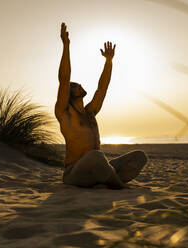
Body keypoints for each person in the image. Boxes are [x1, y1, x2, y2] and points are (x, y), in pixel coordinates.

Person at [55, 23, 147, 189]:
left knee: (139, 156)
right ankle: (118, 185)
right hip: (74, 173)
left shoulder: (90, 112)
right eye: (75, 86)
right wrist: (66, 46)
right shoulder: (64, 113)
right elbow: (63, 79)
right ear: (68, 94)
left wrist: (109, 62)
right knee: (96, 157)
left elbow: (102, 89)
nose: (79, 86)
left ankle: (105, 178)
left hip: (95, 168)